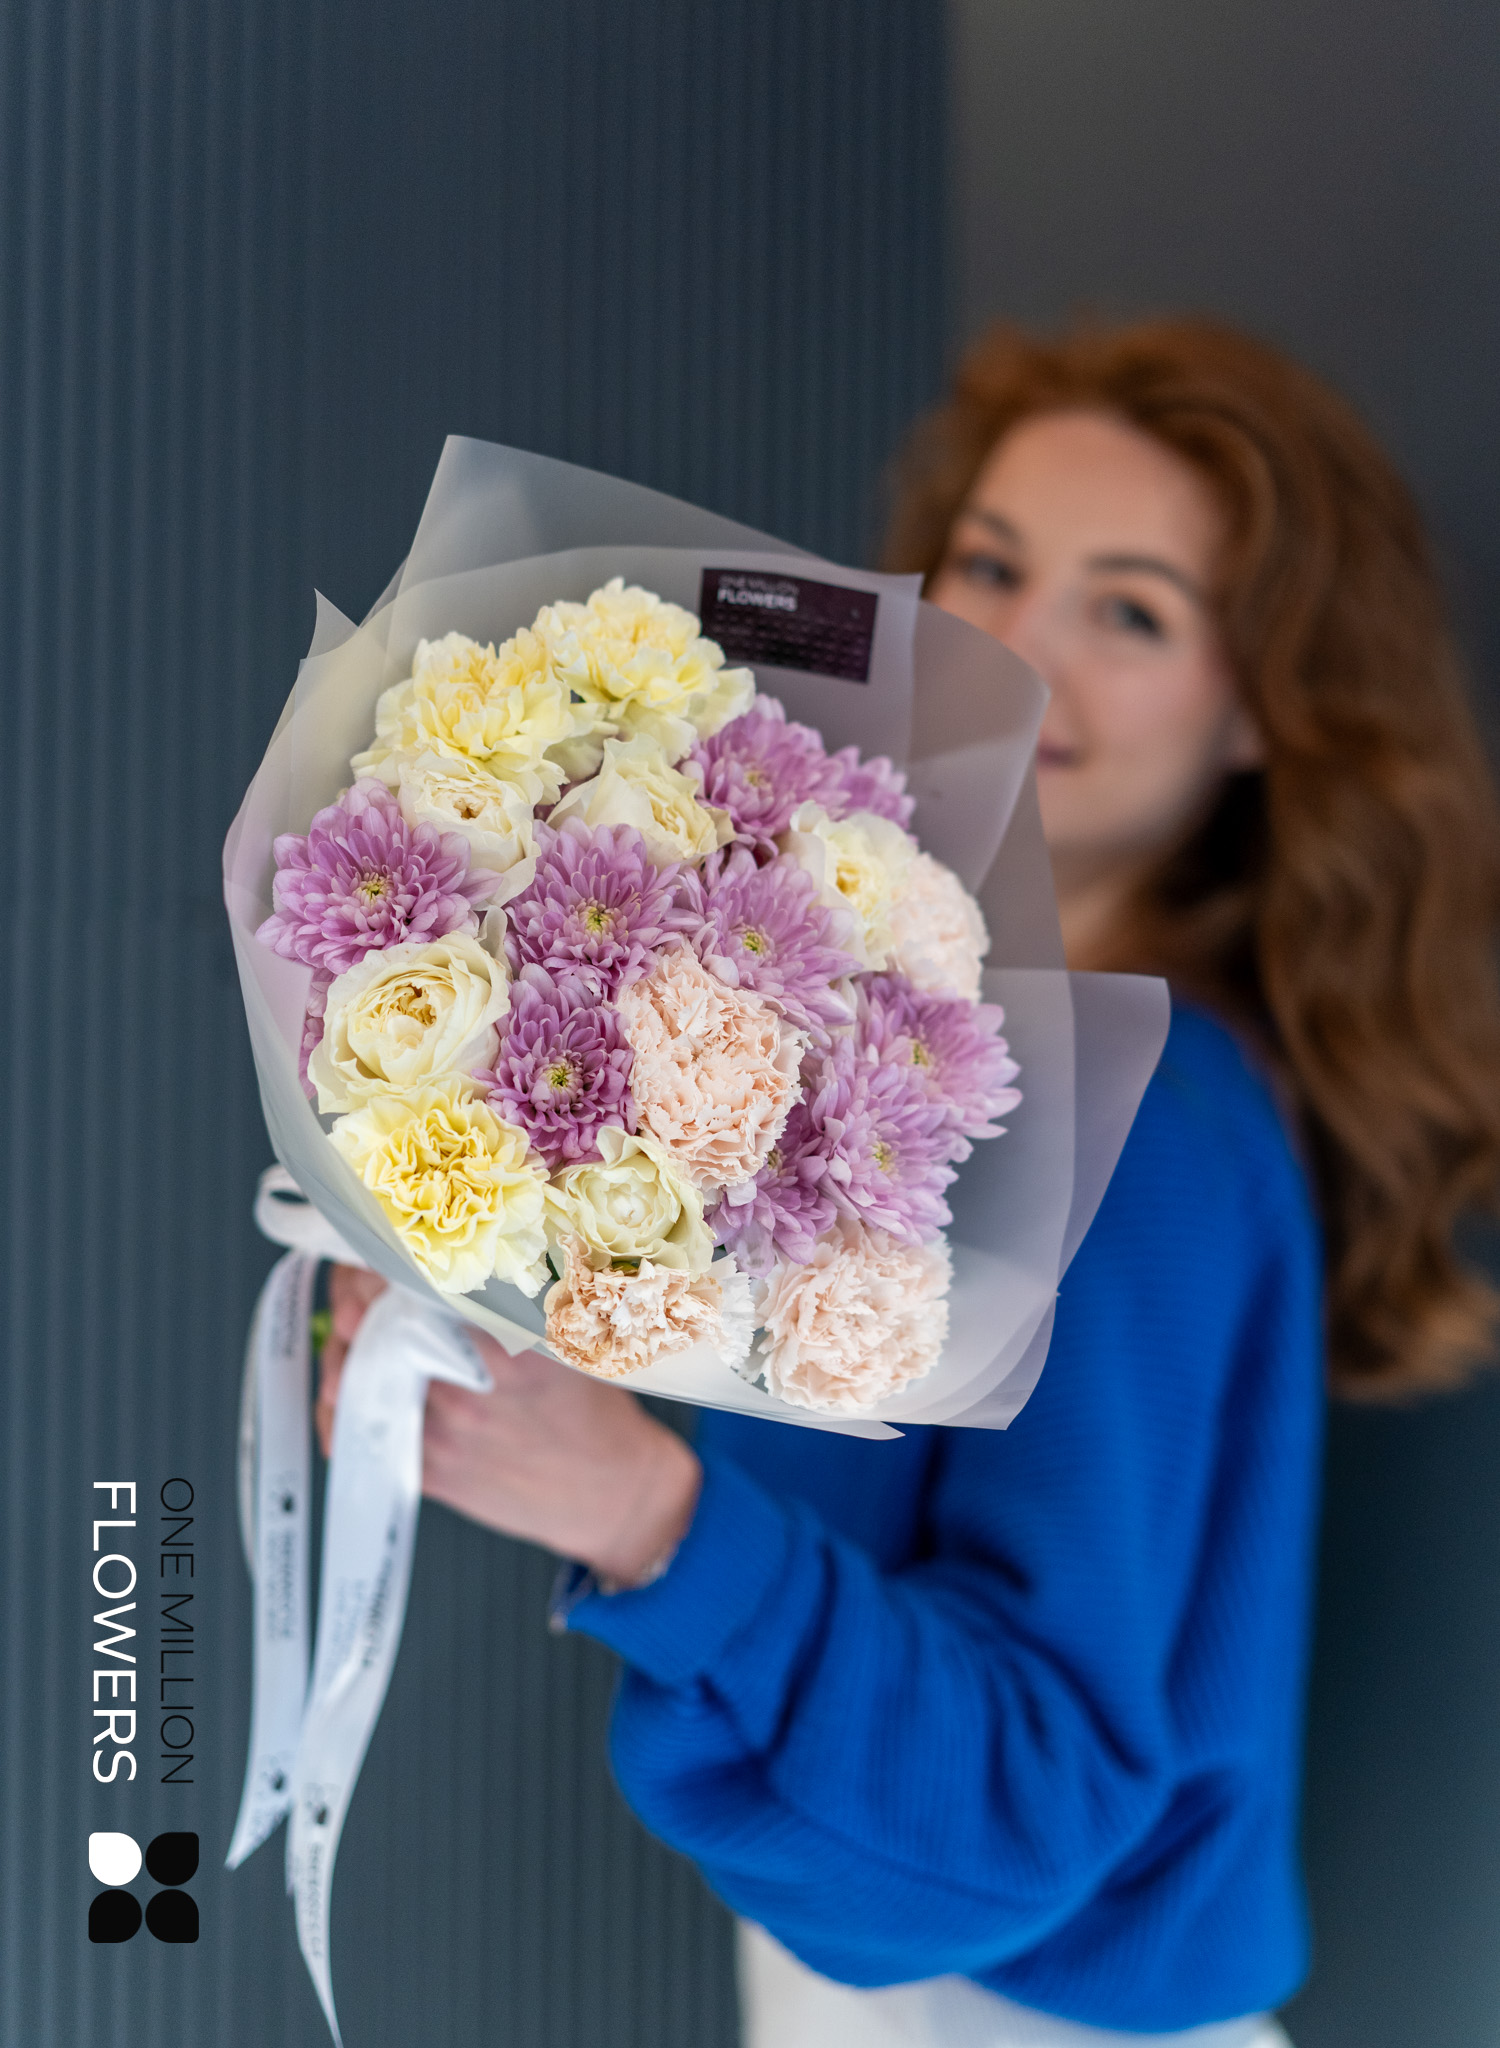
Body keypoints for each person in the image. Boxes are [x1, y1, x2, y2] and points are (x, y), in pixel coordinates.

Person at [319, 319, 1500, 2046]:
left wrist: (649, 1517)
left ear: (1264, 702)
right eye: (997, 568)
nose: (1022, 645)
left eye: (1131, 612)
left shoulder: (1148, 1130)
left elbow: (1034, 1793)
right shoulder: (916, 1068)